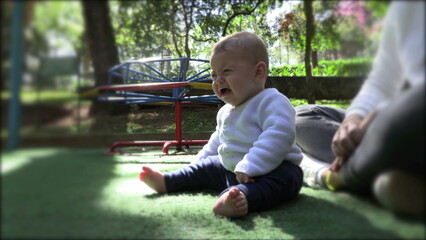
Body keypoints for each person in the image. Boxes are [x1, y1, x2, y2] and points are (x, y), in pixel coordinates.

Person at [139, 32, 304, 218]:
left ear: (258, 72)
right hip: (232, 170)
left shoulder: (272, 101)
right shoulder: (226, 110)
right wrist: (198, 164)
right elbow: (217, 142)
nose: (218, 80)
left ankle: (241, 197)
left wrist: (250, 166)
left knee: (287, 179)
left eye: (226, 71)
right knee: (208, 165)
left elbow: (279, 135)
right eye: (214, 75)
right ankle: (168, 181)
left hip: (273, 169)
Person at [296, 1, 425, 216]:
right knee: (302, 117)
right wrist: (353, 122)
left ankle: (342, 176)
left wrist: (377, 117)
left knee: (403, 115)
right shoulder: (406, 7)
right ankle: (381, 172)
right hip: (393, 122)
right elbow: (382, 82)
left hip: (407, 115)